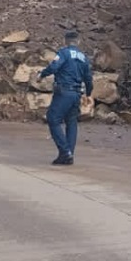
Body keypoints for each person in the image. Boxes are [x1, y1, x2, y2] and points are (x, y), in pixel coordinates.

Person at [39, 30, 93, 165]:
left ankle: (65, 151)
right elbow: (88, 78)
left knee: (53, 118)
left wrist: (42, 75)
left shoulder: (64, 53)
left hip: (64, 92)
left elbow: (54, 66)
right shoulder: (83, 57)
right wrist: (89, 94)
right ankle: (69, 156)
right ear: (78, 41)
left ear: (65, 41)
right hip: (76, 94)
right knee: (71, 122)